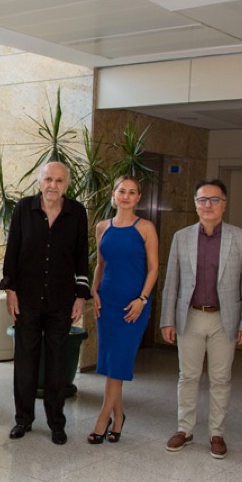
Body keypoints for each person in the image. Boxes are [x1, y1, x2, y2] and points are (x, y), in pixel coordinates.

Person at [160, 178, 242, 459]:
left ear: (224, 204)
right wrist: (167, 319)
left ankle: (216, 434)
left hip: (224, 319)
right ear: (195, 204)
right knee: (187, 376)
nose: (208, 205)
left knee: (221, 379)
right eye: (202, 200)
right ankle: (184, 429)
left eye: (215, 199)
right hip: (190, 316)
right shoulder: (181, 237)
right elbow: (172, 282)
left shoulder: (240, 238)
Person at [0, 161, 90, 445]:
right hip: (26, 299)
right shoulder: (23, 209)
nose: (53, 185)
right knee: (25, 363)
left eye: (59, 180)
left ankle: (56, 423)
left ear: (67, 185)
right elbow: (13, 250)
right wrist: (10, 291)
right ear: (40, 182)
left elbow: (81, 256)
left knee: (57, 364)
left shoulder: (77, 212)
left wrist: (80, 296)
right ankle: (23, 419)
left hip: (61, 301)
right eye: (49, 179)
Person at [89, 175, 158, 444]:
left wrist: (142, 299)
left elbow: (153, 268)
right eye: (122, 191)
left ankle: (102, 418)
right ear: (113, 195)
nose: (126, 196)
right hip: (107, 301)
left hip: (133, 303)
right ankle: (118, 417)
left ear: (139, 197)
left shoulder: (146, 228)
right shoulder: (102, 227)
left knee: (118, 360)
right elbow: (100, 264)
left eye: (132, 192)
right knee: (111, 363)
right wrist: (94, 290)